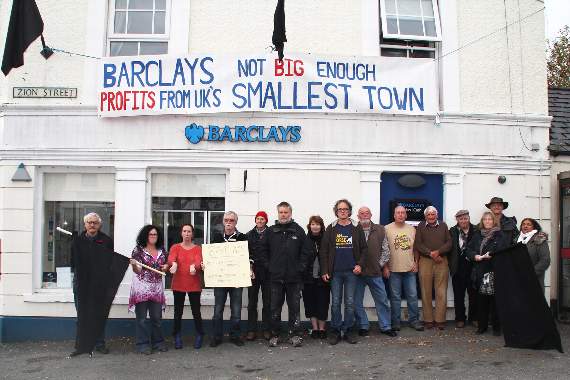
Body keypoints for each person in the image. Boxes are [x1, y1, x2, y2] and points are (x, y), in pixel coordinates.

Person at [69, 212, 127, 357]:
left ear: (99, 225)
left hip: (99, 284)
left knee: (99, 314)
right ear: (85, 224)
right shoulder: (78, 240)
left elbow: (110, 261)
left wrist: (125, 261)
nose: (92, 225)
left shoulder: (106, 240)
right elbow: (72, 262)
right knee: (82, 315)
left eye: (95, 222)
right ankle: (81, 346)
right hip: (81, 283)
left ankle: (99, 344)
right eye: (89, 222)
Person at [320, 199, 367, 345]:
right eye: (340, 209)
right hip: (335, 273)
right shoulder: (331, 228)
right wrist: (325, 270)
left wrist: (360, 264)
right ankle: (335, 330)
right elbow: (324, 251)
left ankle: (348, 330)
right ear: (336, 211)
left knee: (350, 303)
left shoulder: (356, 227)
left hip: (352, 272)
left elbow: (365, 249)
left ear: (349, 211)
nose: (343, 211)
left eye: (345, 209)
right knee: (335, 303)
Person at [265, 202, 311, 347]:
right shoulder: (271, 231)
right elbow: (263, 251)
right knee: (274, 308)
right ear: (278, 213)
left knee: (294, 307)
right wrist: (270, 267)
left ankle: (295, 334)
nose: (283, 215)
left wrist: (300, 268)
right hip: (275, 278)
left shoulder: (298, 230)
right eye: (281, 212)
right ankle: (275, 334)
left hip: (294, 278)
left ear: (290, 213)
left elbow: (306, 251)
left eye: (286, 212)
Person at [209, 211, 250, 347]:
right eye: (226, 219)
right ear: (223, 221)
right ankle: (216, 337)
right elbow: (211, 257)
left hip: (237, 280)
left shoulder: (242, 238)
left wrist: (250, 268)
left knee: (236, 310)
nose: (228, 222)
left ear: (235, 222)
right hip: (220, 280)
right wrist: (206, 264)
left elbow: (247, 257)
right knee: (217, 310)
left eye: (231, 220)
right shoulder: (216, 237)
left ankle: (235, 336)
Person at [353, 206, 396, 337]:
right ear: (358, 216)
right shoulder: (352, 229)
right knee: (355, 301)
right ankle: (363, 325)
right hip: (357, 273)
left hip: (375, 272)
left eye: (367, 213)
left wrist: (379, 265)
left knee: (382, 300)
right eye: (362, 213)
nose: (364, 215)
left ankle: (385, 326)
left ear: (371, 215)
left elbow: (386, 250)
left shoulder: (380, 229)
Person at [128, 225, 169, 354]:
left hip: (156, 289)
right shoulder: (138, 251)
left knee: (157, 317)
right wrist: (134, 266)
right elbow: (137, 270)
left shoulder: (162, 250)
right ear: (145, 236)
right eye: (150, 234)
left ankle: (158, 342)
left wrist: (166, 267)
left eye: (155, 234)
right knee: (142, 319)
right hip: (141, 289)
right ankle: (143, 344)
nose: (153, 236)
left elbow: (166, 264)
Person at [466, 212, 507, 335]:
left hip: (494, 271)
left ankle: (496, 328)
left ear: (494, 221)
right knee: (481, 301)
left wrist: (492, 255)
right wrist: (476, 256)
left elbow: (503, 251)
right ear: (482, 221)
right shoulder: (477, 235)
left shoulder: (500, 235)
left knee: (495, 301)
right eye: (485, 219)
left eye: (490, 219)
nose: (488, 221)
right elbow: (469, 250)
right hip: (480, 271)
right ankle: (482, 327)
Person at [385, 205, 424, 332]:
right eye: (398, 213)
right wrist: (385, 267)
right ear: (394, 215)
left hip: (410, 269)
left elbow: (416, 248)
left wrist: (416, 263)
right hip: (393, 269)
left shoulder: (412, 229)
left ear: (406, 215)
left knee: (412, 296)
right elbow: (383, 250)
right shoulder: (386, 229)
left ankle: (414, 321)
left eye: (403, 213)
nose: (401, 215)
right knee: (395, 297)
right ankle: (396, 322)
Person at [414, 206, 452, 330]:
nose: (431, 216)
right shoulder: (420, 226)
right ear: (425, 216)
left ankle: (440, 320)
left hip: (442, 260)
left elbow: (449, 243)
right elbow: (418, 244)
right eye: (429, 214)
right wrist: (431, 254)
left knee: (441, 291)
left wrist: (438, 252)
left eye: (433, 214)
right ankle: (428, 319)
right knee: (426, 291)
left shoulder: (443, 225)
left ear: (437, 215)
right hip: (425, 261)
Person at [167, 224, 204, 350]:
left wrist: (196, 266)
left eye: (189, 231)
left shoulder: (197, 248)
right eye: (184, 231)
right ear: (181, 233)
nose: (187, 233)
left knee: (196, 312)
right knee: (178, 312)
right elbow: (171, 259)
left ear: (192, 234)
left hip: (194, 283)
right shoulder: (175, 247)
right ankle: (177, 336)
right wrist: (173, 264)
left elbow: (199, 261)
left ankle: (199, 335)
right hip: (179, 283)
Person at [448, 209, 478, 328]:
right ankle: (460, 318)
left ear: (469, 218)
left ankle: (474, 318)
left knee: (474, 294)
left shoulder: (476, 230)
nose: (463, 220)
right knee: (458, 295)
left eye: (465, 218)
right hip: (458, 266)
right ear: (457, 220)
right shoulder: (452, 231)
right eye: (461, 219)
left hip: (473, 266)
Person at [302, 215, 330, 339]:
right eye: (313, 224)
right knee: (310, 303)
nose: (315, 226)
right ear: (309, 226)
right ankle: (315, 328)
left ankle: (322, 328)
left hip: (323, 278)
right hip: (308, 278)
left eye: (318, 224)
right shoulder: (305, 239)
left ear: (321, 226)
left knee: (323, 303)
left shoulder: (326, 239)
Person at [246, 211, 271, 341]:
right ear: (255, 220)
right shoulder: (249, 235)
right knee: (252, 303)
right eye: (258, 219)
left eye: (262, 219)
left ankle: (267, 329)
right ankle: (251, 330)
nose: (260, 221)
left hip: (267, 273)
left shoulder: (271, 234)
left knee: (267, 303)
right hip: (253, 273)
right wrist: (250, 267)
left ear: (266, 221)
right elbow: (245, 253)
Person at [518, 218, 551, 292]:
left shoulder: (539, 240)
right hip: (519, 280)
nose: (525, 226)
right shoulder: (517, 240)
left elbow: (545, 260)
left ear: (534, 227)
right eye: (523, 224)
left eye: (528, 224)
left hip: (534, 280)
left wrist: (530, 273)